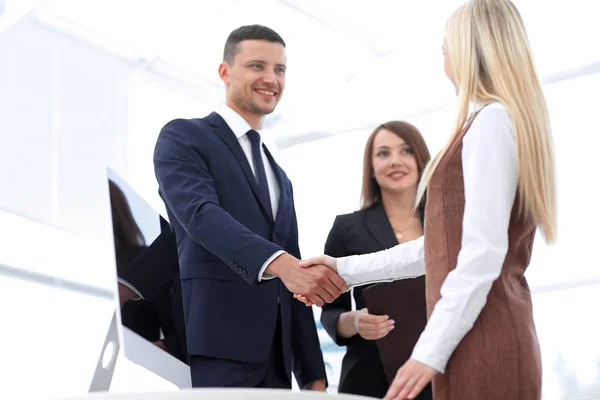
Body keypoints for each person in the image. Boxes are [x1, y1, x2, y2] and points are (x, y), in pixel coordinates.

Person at [296, 0, 556, 399]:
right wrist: (341, 268)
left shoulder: (490, 122)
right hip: (470, 336)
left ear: (470, 48)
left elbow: (480, 254)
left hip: (482, 337)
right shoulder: (489, 121)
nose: (444, 56)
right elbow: (439, 248)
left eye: (446, 45)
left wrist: (427, 354)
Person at [153, 24, 345, 389]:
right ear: (225, 72)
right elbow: (200, 216)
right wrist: (285, 266)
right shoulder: (184, 137)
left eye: (280, 69)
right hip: (214, 349)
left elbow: (296, 269)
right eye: (257, 66)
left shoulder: (279, 175)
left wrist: (314, 375)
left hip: (276, 362)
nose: (271, 78)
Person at [320, 121, 432, 399]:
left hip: (440, 371)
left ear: (421, 160)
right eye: (383, 153)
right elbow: (330, 311)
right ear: (370, 167)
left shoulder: (446, 223)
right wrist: (356, 321)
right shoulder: (347, 228)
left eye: (406, 151)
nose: (395, 161)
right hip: (370, 376)